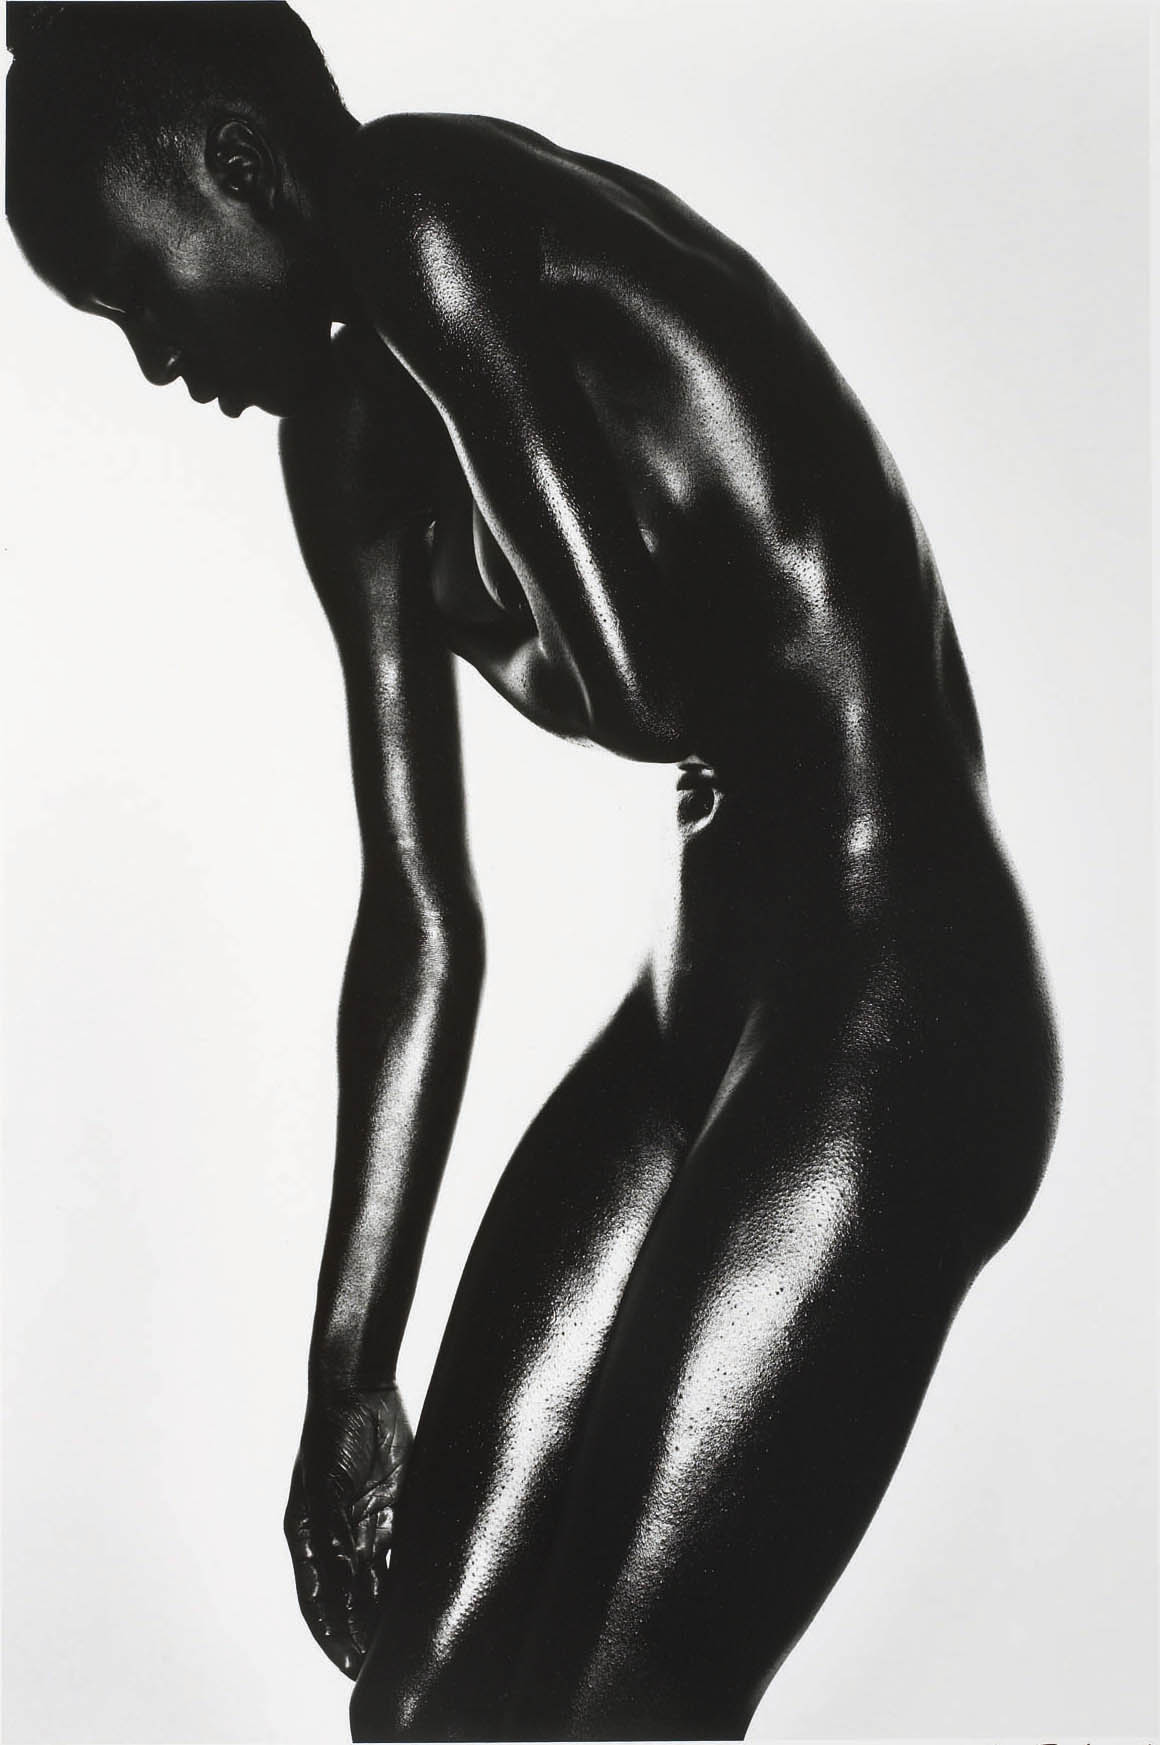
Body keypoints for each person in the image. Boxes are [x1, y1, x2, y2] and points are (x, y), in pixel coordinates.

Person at [5, 3, 1061, 1738]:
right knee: (420, 1699)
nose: (155, 359)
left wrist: (442, 476)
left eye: (133, 287)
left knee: (620, 1704)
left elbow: (640, 680)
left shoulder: (420, 209)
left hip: (895, 998)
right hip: (700, 1010)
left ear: (239, 165)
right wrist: (349, 1370)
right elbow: (420, 920)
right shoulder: (340, 442)